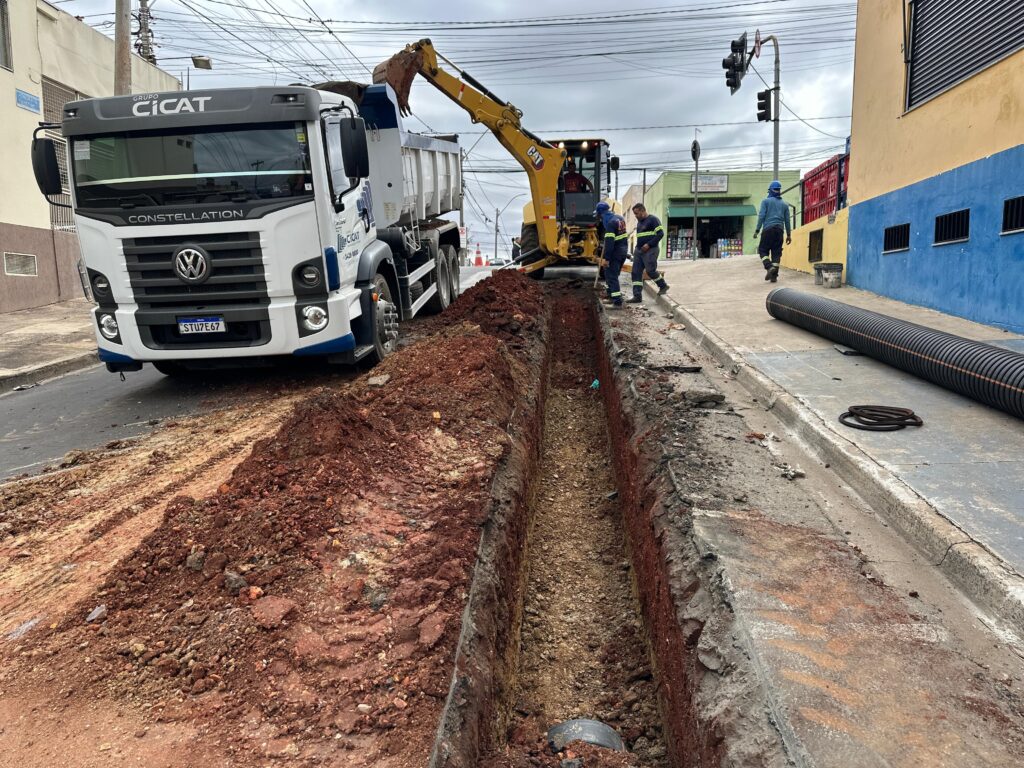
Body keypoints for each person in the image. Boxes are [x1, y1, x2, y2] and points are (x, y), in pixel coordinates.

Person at [628, 203, 669, 303]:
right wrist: (637, 249)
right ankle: (637, 296)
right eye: (634, 214)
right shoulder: (639, 223)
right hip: (639, 251)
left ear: (642, 211)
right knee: (636, 272)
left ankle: (663, 286)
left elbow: (660, 234)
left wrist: (649, 245)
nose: (636, 216)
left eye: (636, 213)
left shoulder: (653, 220)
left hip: (651, 250)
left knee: (650, 271)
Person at [753, 180, 792, 282]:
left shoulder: (765, 202)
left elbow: (761, 216)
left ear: (770, 191)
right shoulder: (785, 204)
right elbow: (787, 221)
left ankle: (769, 267)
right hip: (779, 231)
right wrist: (788, 234)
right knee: (776, 253)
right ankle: (774, 276)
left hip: (768, 230)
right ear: (779, 191)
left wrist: (757, 230)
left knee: (762, 250)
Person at [596, 201, 628, 308]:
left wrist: (606, 259)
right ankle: (611, 297)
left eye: (599, 216)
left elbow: (609, 244)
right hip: (623, 251)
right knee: (612, 275)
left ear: (602, 214)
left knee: (611, 276)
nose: (600, 219)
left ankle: (617, 302)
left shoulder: (610, 223)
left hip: (615, 253)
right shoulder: (620, 218)